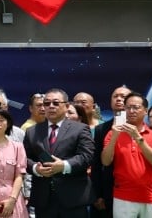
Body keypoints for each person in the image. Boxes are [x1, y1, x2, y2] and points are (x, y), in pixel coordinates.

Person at [24, 89, 94, 218]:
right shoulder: (32, 131)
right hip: (44, 200)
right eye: (47, 103)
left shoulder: (80, 128)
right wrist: (36, 168)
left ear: (67, 106)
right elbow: (24, 159)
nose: (51, 106)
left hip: (73, 198)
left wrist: (64, 165)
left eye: (56, 103)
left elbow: (87, 156)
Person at [98, 92, 152, 218]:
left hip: (150, 195)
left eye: (136, 107)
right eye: (128, 107)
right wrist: (115, 135)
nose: (131, 111)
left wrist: (138, 137)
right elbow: (105, 161)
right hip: (123, 196)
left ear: (145, 111)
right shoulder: (112, 133)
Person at [92, 86, 133, 218]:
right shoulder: (100, 129)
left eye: (123, 96)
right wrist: (97, 194)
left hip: (134, 191)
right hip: (108, 191)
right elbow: (96, 164)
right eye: (116, 96)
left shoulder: (140, 128)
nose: (119, 99)